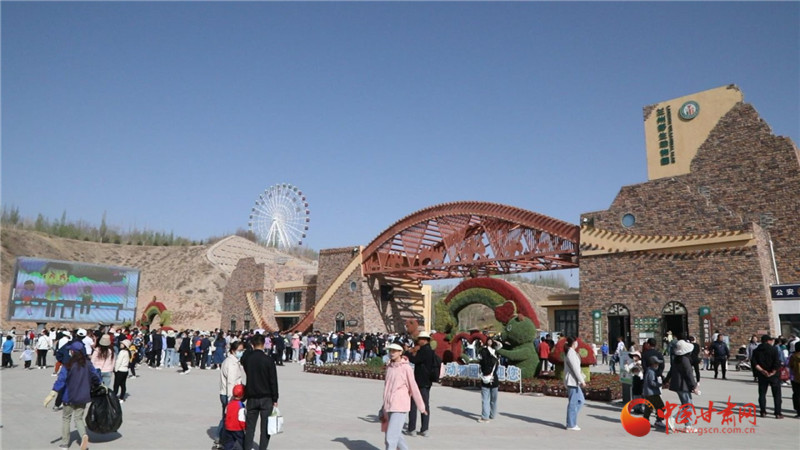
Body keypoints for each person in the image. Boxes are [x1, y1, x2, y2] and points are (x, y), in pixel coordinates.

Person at [44, 341, 100, 450]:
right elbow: (96, 377)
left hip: (69, 396)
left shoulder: (67, 365)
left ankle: (65, 443)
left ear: (72, 352)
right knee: (78, 418)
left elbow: (61, 380)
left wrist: (53, 393)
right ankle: (83, 435)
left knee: (66, 418)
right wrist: (99, 384)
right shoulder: (88, 364)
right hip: (83, 396)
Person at [381, 343, 427, 450]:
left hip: (400, 406)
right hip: (389, 405)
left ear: (400, 352)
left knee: (390, 438)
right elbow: (387, 388)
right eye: (390, 351)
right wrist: (383, 407)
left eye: (394, 351)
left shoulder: (406, 368)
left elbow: (413, 387)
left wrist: (421, 407)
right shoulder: (390, 367)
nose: (392, 353)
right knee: (396, 436)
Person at [240, 333, 279, 450]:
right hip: (266, 398)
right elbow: (273, 380)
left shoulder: (248, 359)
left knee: (250, 428)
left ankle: (247, 447)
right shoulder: (268, 360)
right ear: (264, 344)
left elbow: (243, 359)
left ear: (252, 344)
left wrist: (249, 348)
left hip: (252, 396)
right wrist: (275, 398)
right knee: (265, 428)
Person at [404, 331, 435, 437]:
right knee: (425, 404)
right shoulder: (431, 350)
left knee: (413, 405)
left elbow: (415, 360)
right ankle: (424, 428)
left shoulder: (424, 350)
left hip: (419, 381)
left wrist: (407, 352)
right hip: (427, 381)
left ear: (424, 340)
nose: (418, 341)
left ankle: (412, 428)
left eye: (420, 339)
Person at [666, 340, 700, 432]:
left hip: (677, 385)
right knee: (688, 406)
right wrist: (694, 386)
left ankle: (688, 426)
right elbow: (689, 374)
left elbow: (670, 371)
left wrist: (666, 381)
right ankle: (673, 418)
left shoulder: (676, 359)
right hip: (683, 385)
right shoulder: (685, 360)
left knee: (686, 405)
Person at [216, 340, 244, 449]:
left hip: (226, 392)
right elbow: (231, 382)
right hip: (230, 394)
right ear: (233, 350)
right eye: (239, 350)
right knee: (228, 418)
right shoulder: (231, 363)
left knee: (226, 417)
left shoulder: (232, 361)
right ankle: (220, 438)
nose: (241, 352)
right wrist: (232, 399)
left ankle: (221, 438)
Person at [751, 334, 783, 418]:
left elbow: (754, 363)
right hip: (774, 375)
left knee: (762, 394)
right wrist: (773, 372)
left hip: (762, 374)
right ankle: (777, 413)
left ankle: (763, 411)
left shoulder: (756, 350)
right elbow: (777, 362)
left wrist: (762, 371)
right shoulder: (774, 349)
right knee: (777, 394)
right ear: (768, 341)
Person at [563, 336, 586, 431]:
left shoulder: (572, 352)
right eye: (576, 342)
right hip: (572, 381)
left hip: (574, 381)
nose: (577, 343)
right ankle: (571, 424)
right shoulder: (571, 353)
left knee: (580, 400)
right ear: (573, 343)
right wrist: (582, 381)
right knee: (573, 403)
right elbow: (575, 369)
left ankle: (571, 419)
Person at [478, 338, 501, 423]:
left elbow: (480, 362)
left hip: (485, 379)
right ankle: (492, 415)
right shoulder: (496, 357)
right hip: (494, 379)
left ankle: (485, 417)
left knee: (485, 399)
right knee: (493, 399)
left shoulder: (484, 357)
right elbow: (500, 346)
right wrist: (495, 341)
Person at [642, 355, 666, 429]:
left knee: (649, 408)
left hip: (648, 393)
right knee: (661, 406)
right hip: (652, 393)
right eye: (656, 363)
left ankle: (645, 421)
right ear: (652, 364)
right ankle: (659, 420)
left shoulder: (649, 370)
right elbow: (652, 383)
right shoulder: (651, 372)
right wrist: (660, 384)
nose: (657, 365)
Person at [221, 384, 247, 450]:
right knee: (243, 441)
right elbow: (241, 419)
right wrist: (244, 427)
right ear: (242, 395)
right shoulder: (241, 405)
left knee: (229, 443)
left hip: (228, 427)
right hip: (237, 428)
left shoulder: (229, 404)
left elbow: (225, 414)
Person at [789, 341, 800, 418]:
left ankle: (799, 411)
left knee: (797, 394)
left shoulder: (793, 356)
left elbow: (790, 366)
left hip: (796, 378)